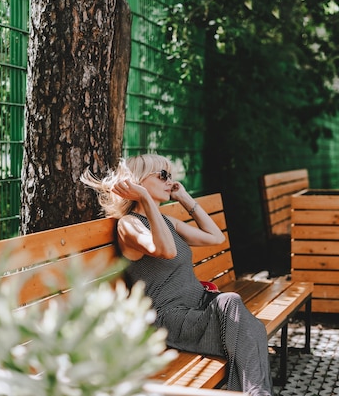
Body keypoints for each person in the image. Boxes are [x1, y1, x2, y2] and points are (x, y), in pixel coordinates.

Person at [80, 154, 273, 396]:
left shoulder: (166, 221)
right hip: (170, 320)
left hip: (199, 307)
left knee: (242, 317)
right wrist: (146, 200)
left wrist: (184, 198)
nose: (168, 180)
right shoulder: (129, 225)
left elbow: (216, 237)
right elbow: (167, 251)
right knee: (249, 332)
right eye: (162, 175)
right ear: (139, 181)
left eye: (169, 175)